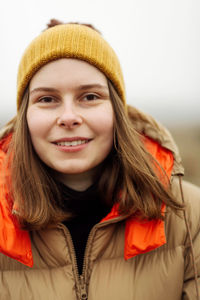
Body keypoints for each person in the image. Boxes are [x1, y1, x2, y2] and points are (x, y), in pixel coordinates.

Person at [0, 19, 199, 300]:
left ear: (116, 110)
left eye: (90, 96)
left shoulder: (189, 214)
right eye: (47, 99)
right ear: (25, 117)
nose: (69, 117)